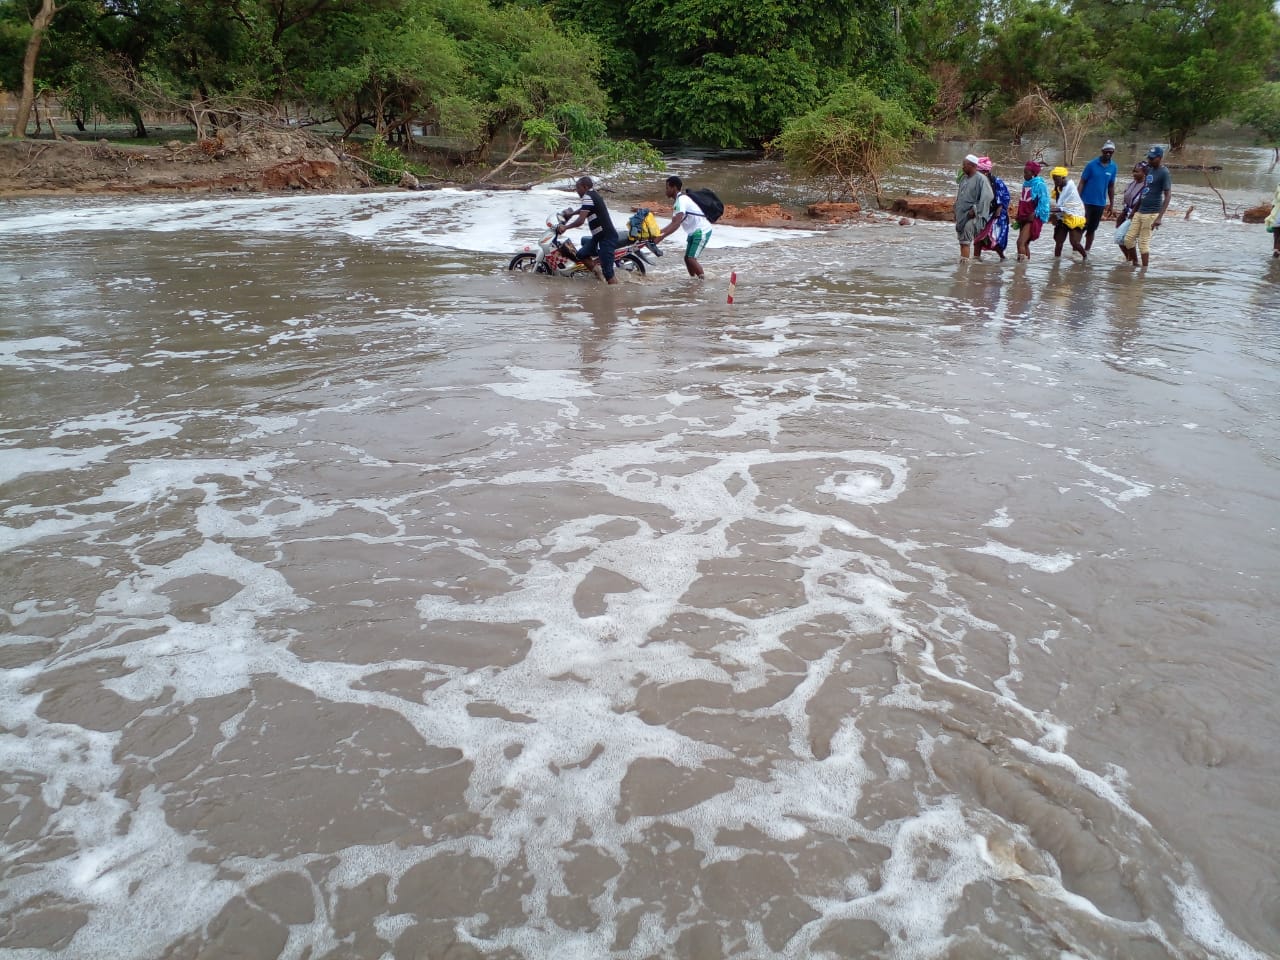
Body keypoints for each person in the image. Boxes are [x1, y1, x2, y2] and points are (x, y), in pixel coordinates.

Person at [556, 176, 619, 284]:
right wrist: (571, 214)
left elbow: (580, 221)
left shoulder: (588, 197)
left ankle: (614, 291)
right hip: (598, 237)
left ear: (585, 187)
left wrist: (566, 227)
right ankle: (598, 275)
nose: (576, 190)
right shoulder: (592, 194)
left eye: (578, 188)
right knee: (581, 254)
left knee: (608, 274)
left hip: (606, 238)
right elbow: (585, 209)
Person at [1122, 145, 1172, 268]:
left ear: (1159, 158)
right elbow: (1144, 190)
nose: (1149, 160)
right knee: (1128, 239)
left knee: (1143, 243)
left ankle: (1144, 271)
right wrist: (1134, 211)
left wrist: (1159, 217)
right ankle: (1135, 263)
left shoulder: (1164, 173)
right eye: (1148, 157)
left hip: (1152, 212)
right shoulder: (1149, 169)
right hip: (1140, 210)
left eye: (1152, 158)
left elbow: (1168, 195)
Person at [656, 175, 712, 277]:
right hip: (694, 232)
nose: (666, 191)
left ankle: (702, 282)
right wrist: (658, 232)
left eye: (667, 188)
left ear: (674, 188)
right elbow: (674, 223)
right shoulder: (679, 202)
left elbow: (676, 224)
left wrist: (661, 237)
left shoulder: (681, 201)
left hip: (701, 231)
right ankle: (694, 280)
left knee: (691, 258)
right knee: (687, 259)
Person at [1078, 140, 1118, 251]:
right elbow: (1082, 182)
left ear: (1113, 152)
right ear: (1102, 151)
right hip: (1086, 202)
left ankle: (1087, 252)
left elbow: (1111, 186)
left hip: (1100, 204)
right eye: (1106, 152)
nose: (1108, 154)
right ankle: (1076, 250)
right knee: (1081, 227)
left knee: (1092, 230)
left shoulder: (1113, 167)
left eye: (1110, 152)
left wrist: (1111, 204)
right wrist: (1078, 199)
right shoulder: (1091, 165)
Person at [953, 154, 994, 259]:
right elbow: (960, 197)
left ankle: (964, 266)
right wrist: (956, 211)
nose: (962, 167)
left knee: (965, 242)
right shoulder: (963, 179)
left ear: (972, 166)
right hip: (962, 215)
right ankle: (965, 264)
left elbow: (988, 196)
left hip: (974, 216)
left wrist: (975, 210)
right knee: (962, 242)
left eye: (964, 165)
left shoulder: (981, 179)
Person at [1013, 161, 1051, 261]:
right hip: (1023, 216)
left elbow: (1044, 203)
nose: (1024, 175)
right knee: (1025, 243)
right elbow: (1023, 201)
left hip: (1032, 217)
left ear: (1033, 173)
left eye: (1026, 173)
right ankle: (1025, 265)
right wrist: (1018, 215)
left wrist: (1035, 213)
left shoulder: (1040, 185)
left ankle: (1020, 267)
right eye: (1024, 172)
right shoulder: (1026, 184)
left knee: (1020, 242)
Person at [974, 157, 1010, 260]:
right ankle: (976, 261)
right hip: (982, 214)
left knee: (993, 239)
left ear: (985, 172)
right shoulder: (977, 182)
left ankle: (1003, 258)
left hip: (996, 215)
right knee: (978, 240)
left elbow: (1005, 197)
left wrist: (999, 209)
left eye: (979, 172)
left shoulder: (997, 182)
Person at [1049, 166, 1088, 260]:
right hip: (1063, 216)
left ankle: (1085, 258)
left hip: (1074, 216)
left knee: (1074, 242)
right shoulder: (1058, 188)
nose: (1055, 182)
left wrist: (1049, 210)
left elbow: (1066, 207)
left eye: (1057, 179)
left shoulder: (1070, 188)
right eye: (1054, 179)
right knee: (1059, 242)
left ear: (1063, 177)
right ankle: (1056, 262)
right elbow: (1059, 204)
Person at [1114, 161, 1148, 265]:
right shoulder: (1132, 184)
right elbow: (1127, 201)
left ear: (1144, 173)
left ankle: (1134, 261)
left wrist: (1133, 214)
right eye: (1134, 171)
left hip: (1137, 216)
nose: (1134, 173)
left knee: (1120, 237)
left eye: (1137, 172)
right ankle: (1129, 259)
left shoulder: (1146, 187)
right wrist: (1122, 214)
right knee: (1123, 238)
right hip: (1127, 214)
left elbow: (1142, 203)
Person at [1265, 183, 1280, 259]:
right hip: (1277, 216)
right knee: (1276, 236)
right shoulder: (1279, 186)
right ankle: (1275, 258)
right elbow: (1275, 201)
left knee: (1277, 237)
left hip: (1276, 216)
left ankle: (1275, 258)